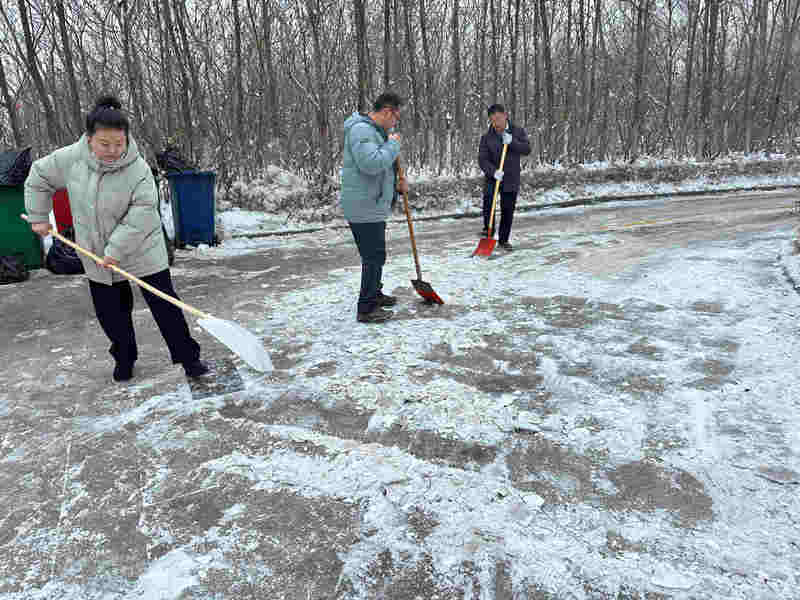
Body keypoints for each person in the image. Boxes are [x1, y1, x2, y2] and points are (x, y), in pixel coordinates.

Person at [24, 95, 209, 382]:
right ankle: (124, 359)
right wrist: (38, 216)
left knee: (165, 307)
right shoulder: (71, 159)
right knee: (111, 314)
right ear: (89, 139)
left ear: (127, 139)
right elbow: (38, 176)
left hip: (142, 249)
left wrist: (115, 250)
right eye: (104, 144)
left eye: (119, 144)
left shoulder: (138, 170)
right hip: (96, 253)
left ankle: (189, 359)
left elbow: (142, 214)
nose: (113, 151)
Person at [340, 91, 409, 323]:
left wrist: (397, 182)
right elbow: (370, 164)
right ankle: (366, 308)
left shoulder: (375, 132)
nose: (396, 122)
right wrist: (393, 145)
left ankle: (374, 294)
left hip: (371, 203)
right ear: (388, 111)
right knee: (373, 256)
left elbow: (382, 166)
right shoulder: (361, 130)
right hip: (363, 205)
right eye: (396, 117)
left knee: (377, 255)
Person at [478, 103, 531, 251]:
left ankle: (503, 240)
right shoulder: (487, 137)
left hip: (511, 177)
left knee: (507, 210)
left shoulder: (517, 131)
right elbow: (482, 159)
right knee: (488, 204)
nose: (496, 123)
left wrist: (512, 142)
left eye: (498, 119)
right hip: (493, 177)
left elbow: (527, 149)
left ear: (505, 116)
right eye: (493, 120)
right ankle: (489, 233)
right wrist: (493, 172)